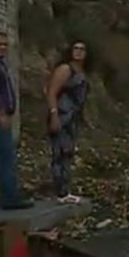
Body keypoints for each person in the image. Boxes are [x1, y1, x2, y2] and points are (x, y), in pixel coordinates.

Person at [46, 40, 90, 203]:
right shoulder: (65, 69)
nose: (78, 51)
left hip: (73, 118)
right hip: (61, 115)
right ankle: (60, 191)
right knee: (59, 152)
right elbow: (51, 92)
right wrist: (54, 114)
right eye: (75, 48)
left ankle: (65, 190)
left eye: (82, 49)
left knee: (68, 153)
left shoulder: (82, 72)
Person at [0, 31, 32, 209]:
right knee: (6, 158)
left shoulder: (1, 64)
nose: (2, 47)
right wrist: (1, 113)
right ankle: (10, 198)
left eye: (4, 44)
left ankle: (3, 196)